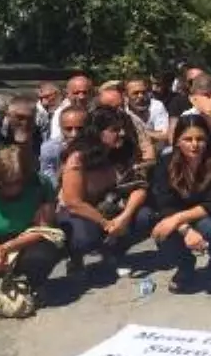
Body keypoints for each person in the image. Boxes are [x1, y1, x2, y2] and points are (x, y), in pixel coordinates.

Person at [0, 145, 64, 316]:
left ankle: (34, 284)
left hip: (30, 239)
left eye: (17, 182)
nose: (12, 187)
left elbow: (43, 229)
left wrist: (9, 247)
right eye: (5, 183)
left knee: (38, 258)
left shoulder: (40, 184)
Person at [56, 106, 152, 281]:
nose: (122, 133)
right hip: (76, 213)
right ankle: (76, 259)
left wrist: (124, 218)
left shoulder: (122, 153)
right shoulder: (77, 159)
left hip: (110, 208)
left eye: (122, 128)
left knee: (145, 216)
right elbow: (73, 202)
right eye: (115, 130)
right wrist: (107, 224)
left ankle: (113, 253)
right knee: (84, 238)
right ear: (98, 132)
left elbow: (139, 187)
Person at [150, 114, 211, 294]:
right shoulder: (166, 162)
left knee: (209, 227)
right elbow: (165, 203)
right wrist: (184, 229)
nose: (194, 145)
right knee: (161, 229)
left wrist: (177, 220)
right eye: (187, 139)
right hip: (183, 218)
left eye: (200, 139)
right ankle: (185, 266)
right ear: (177, 141)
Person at [125, 75, 169, 148]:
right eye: (135, 93)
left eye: (144, 92)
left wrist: (137, 133)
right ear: (126, 96)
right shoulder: (123, 111)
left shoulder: (156, 106)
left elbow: (164, 135)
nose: (141, 96)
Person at [47, 74, 93, 142]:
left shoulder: (96, 110)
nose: (81, 97)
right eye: (76, 93)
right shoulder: (60, 114)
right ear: (67, 94)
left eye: (85, 92)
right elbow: (56, 142)